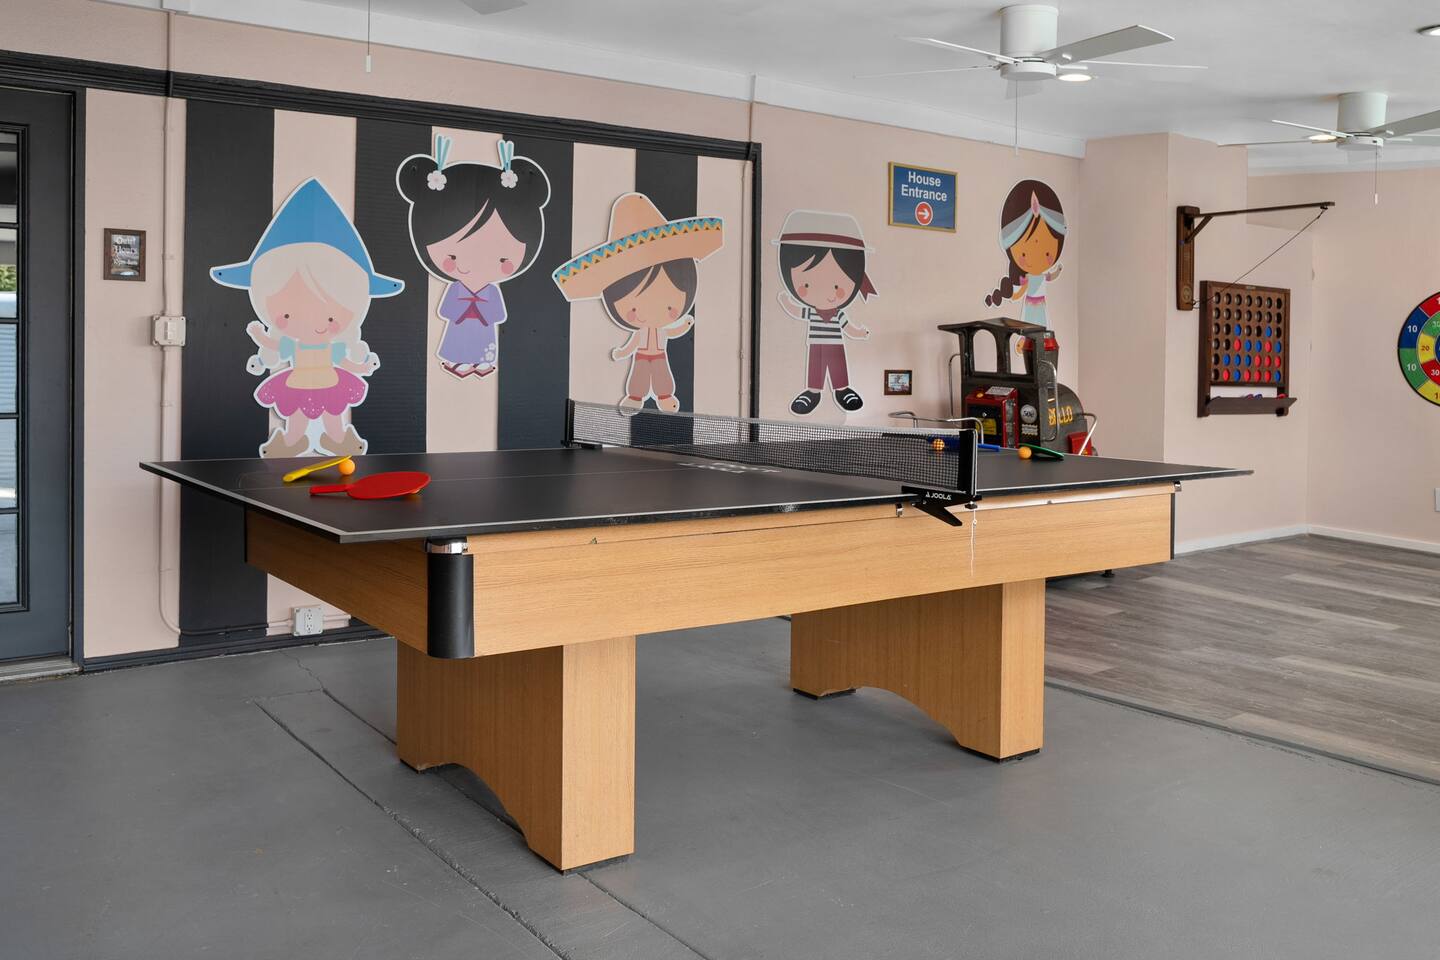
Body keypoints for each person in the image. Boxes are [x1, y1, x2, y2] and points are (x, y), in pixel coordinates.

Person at [211, 178, 403, 458]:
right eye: (287, 314)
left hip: (330, 382)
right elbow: (275, 345)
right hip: (297, 383)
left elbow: (345, 361)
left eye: (331, 318)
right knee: (297, 417)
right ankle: (291, 443)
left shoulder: (332, 348)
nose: (316, 324)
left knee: (333, 416)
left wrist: (361, 367)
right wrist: (258, 335)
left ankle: (337, 441)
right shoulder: (293, 345)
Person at [552, 193, 724, 413]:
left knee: (662, 377)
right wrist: (622, 353)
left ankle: (665, 397)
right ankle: (635, 397)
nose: (652, 311)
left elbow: (672, 332)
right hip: (642, 357)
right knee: (639, 378)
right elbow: (632, 344)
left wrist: (685, 325)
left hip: (659, 356)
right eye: (633, 308)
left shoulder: (661, 331)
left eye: (669, 306)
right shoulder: (640, 333)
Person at [396, 136, 550, 379]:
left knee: (483, 346)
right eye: (453, 255)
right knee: (458, 344)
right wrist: (465, 308)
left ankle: (481, 363)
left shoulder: (492, 292)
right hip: (459, 325)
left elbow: (499, 315)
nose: (471, 264)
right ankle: (459, 362)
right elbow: (446, 311)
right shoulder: (455, 289)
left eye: (502, 259)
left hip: (483, 327)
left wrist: (481, 310)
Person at [773, 210, 878, 415]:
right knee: (816, 369)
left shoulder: (838, 314)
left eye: (837, 286)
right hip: (816, 344)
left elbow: (848, 328)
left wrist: (860, 333)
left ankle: (842, 390)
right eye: (806, 284)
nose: (828, 293)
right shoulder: (811, 312)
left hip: (836, 345)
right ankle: (813, 392)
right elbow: (797, 310)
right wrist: (785, 301)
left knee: (838, 367)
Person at [985, 180, 1067, 328]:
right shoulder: (1028, 278)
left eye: (1047, 253)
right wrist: (1011, 294)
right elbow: (1021, 291)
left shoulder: (1042, 276)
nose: (1037, 256)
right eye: (1023, 254)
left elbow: (1051, 276)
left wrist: (1059, 270)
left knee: (1041, 324)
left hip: (1040, 304)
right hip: (1030, 304)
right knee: (1028, 324)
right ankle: (1026, 338)